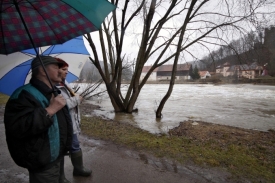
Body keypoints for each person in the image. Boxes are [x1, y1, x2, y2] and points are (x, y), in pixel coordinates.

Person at [4, 56, 73, 183]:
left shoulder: (53, 92)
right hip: (42, 160)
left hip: (57, 156)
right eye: (56, 67)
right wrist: (50, 110)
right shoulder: (23, 95)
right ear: (42, 70)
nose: (61, 70)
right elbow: (18, 127)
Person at [56, 58, 92, 179]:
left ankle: (78, 169)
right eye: (63, 69)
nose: (66, 72)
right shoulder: (52, 87)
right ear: (56, 70)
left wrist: (75, 96)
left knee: (75, 145)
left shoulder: (65, 84)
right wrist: (77, 99)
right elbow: (60, 105)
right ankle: (60, 177)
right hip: (62, 125)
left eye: (67, 69)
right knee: (60, 151)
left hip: (72, 123)